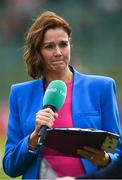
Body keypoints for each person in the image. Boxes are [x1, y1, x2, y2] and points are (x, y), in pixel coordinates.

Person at [2, 10, 122, 179]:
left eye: (63, 44)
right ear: (38, 52)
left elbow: (117, 150)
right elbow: (10, 166)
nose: (58, 52)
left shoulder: (102, 87)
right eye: (49, 46)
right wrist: (33, 138)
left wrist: (105, 159)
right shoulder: (20, 94)